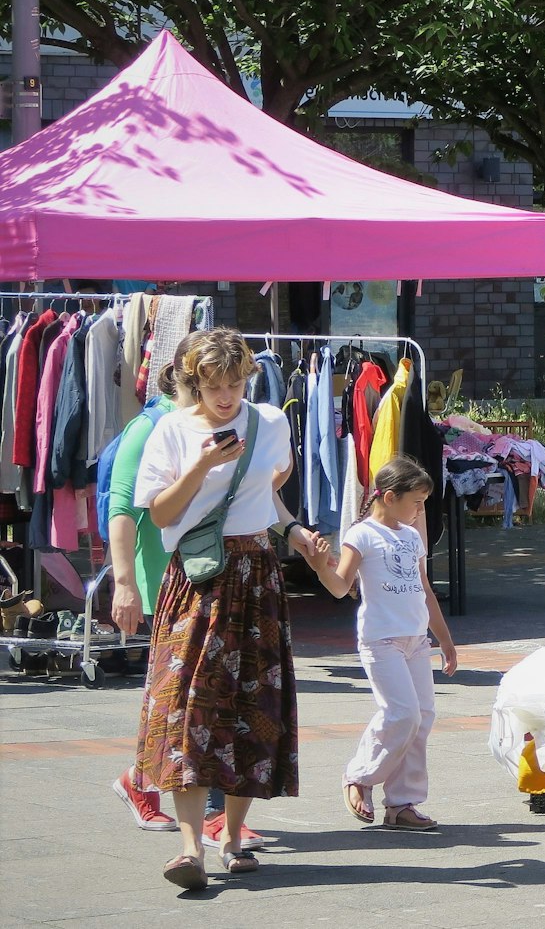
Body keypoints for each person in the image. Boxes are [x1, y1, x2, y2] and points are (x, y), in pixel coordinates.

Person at [134, 329, 314, 890]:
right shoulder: (171, 430)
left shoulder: (270, 423)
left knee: (249, 705)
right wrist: (200, 469)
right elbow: (161, 516)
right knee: (186, 708)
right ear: (193, 382)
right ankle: (191, 850)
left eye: (236, 383)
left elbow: (270, 484)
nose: (227, 396)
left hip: (256, 574)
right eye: (215, 386)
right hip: (196, 578)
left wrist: (291, 530)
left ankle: (232, 835)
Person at [299, 455, 458, 831]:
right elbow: (340, 587)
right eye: (416, 502)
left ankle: (402, 804)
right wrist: (321, 565)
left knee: (422, 719)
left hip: (416, 640)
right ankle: (359, 775)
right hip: (381, 640)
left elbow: (425, 591)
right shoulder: (363, 535)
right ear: (389, 496)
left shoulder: (411, 535)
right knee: (402, 714)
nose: (421, 509)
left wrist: (446, 641)